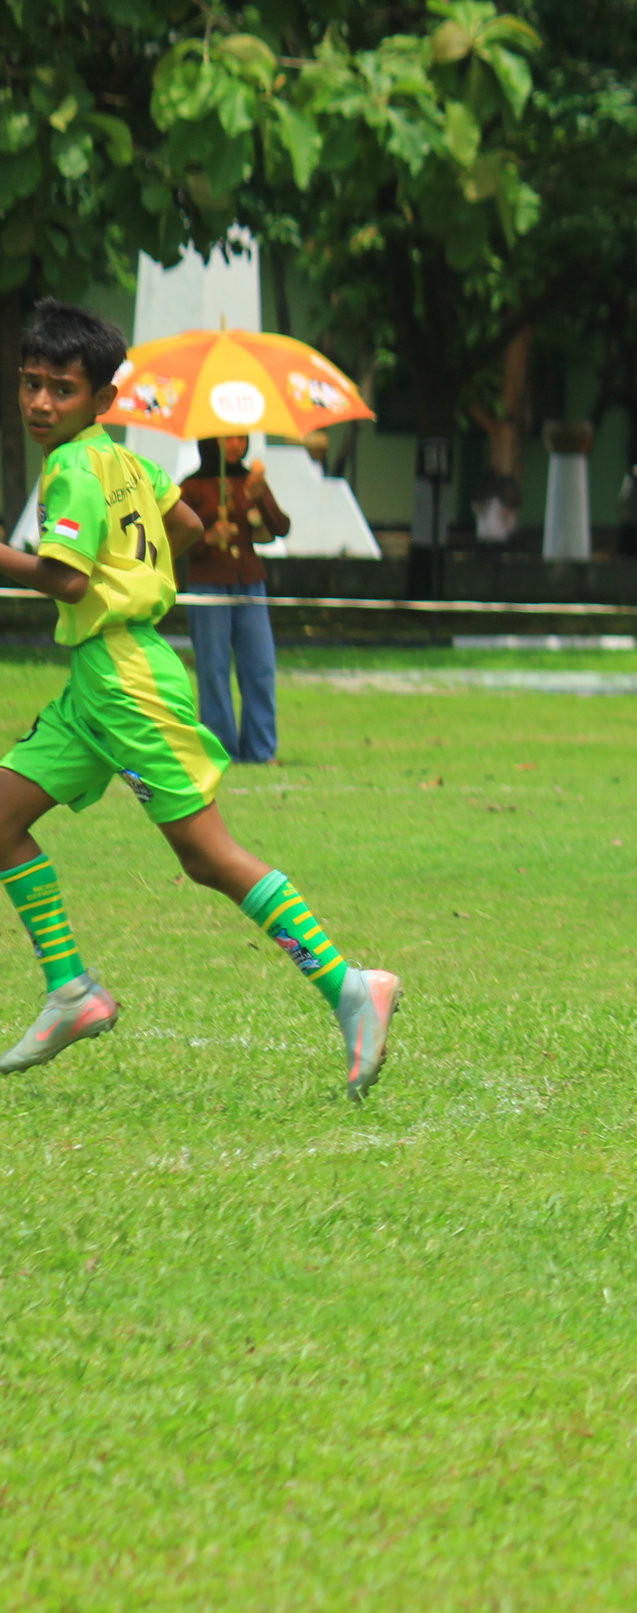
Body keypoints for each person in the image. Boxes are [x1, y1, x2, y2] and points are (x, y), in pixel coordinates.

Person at [0, 299, 398, 1094]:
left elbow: (68, 579)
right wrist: (139, 577)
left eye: (62, 389)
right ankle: (72, 991)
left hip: (127, 683)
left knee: (206, 855)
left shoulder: (73, 468)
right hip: (98, 681)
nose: (41, 402)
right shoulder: (124, 461)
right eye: (31, 383)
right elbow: (181, 521)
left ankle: (351, 985)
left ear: (101, 398)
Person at [179, 434, 286, 763]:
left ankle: (261, 749)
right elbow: (172, 538)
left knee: (260, 665)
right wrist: (208, 538)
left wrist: (260, 498)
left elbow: (280, 527)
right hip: (209, 585)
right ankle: (221, 749)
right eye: (228, 439)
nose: (236, 445)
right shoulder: (192, 487)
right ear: (211, 442)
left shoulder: (250, 481)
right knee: (213, 668)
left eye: (242, 438)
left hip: (250, 582)